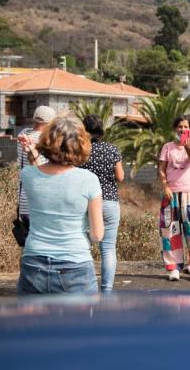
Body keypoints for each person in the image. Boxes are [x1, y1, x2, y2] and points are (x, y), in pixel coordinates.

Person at [17, 116, 103, 296]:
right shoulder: (89, 180)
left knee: (34, 325)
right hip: (75, 264)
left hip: (33, 263)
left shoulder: (27, 175)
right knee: (80, 324)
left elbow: (41, 173)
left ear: (46, 140)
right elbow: (97, 235)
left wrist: (33, 152)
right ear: (80, 144)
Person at [77, 114, 125, 294]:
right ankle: (106, 290)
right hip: (110, 203)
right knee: (108, 249)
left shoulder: (83, 151)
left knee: (84, 246)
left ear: (85, 130)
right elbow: (120, 177)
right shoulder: (112, 149)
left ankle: (85, 287)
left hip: (87, 203)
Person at [158, 116, 190, 281]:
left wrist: (187, 147)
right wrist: (165, 187)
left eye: (186, 127)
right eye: (179, 126)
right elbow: (161, 169)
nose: (182, 129)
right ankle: (174, 267)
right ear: (175, 129)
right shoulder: (168, 147)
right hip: (171, 194)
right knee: (170, 232)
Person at [15, 106, 57, 229]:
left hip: (23, 197)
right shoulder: (44, 140)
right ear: (50, 123)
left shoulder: (23, 134)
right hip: (40, 198)